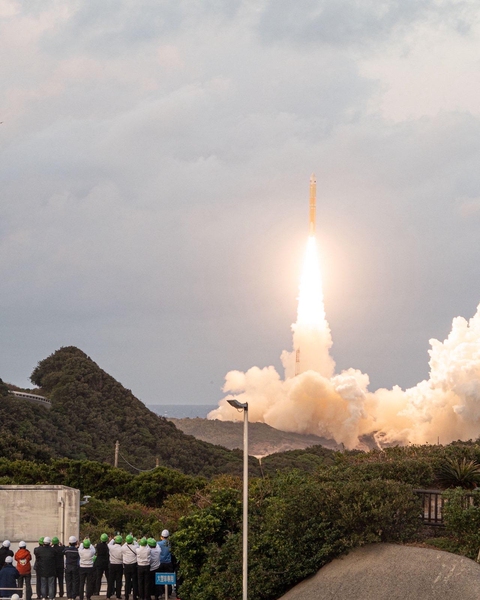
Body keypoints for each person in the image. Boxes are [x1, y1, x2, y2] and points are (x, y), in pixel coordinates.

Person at [157, 531, 174, 599]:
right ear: (168, 536)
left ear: (161, 536)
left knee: (160, 578)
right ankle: (168, 593)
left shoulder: (158, 543)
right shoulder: (170, 543)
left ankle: (161, 593)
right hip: (168, 563)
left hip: (160, 563)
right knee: (169, 578)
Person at [121, 536, 138, 600]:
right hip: (134, 565)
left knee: (127, 582)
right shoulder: (135, 547)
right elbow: (137, 544)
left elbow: (123, 545)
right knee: (134, 582)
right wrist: (134, 541)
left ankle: (126, 596)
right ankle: (134, 596)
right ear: (132, 541)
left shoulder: (123, 548)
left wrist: (126, 542)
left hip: (126, 566)